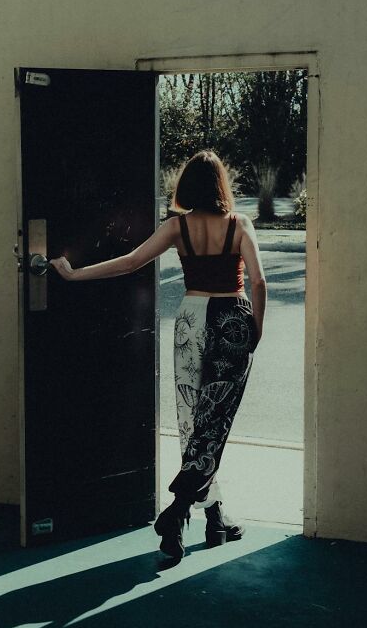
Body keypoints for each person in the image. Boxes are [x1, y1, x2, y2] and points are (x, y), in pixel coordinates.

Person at [50, 149, 266, 561]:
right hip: (231, 318)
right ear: (222, 184)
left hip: (190, 318)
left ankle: (213, 515)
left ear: (187, 187)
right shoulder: (240, 224)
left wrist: (75, 274)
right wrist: (256, 328)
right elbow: (258, 282)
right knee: (213, 422)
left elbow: (130, 262)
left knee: (192, 419)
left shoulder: (176, 227)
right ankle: (187, 509)